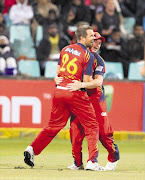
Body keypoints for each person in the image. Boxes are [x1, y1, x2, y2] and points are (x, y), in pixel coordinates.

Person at [24, 25, 105, 171]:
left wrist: (58, 80)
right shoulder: (88, 55)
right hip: (75, 93)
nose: (93, 39)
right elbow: (86, 81)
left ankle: (31, 149)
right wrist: (82, 84)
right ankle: (92, 162)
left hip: (59, 91)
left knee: (53, 126)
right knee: (92, 126)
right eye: (91, 36)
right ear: (82, 37)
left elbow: (58, 74)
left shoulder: (65, 49)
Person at [65, 32, 120, 170]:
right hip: (80, 100)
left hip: (96, 101)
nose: (97, 44)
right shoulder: (78, 56)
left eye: (100, 43)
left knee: (103, 132)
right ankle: (78, 163)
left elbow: (98, 82)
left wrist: (81, 85)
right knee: (75, 131)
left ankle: (113, 157)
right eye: (95, 41)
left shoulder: (99, 60)